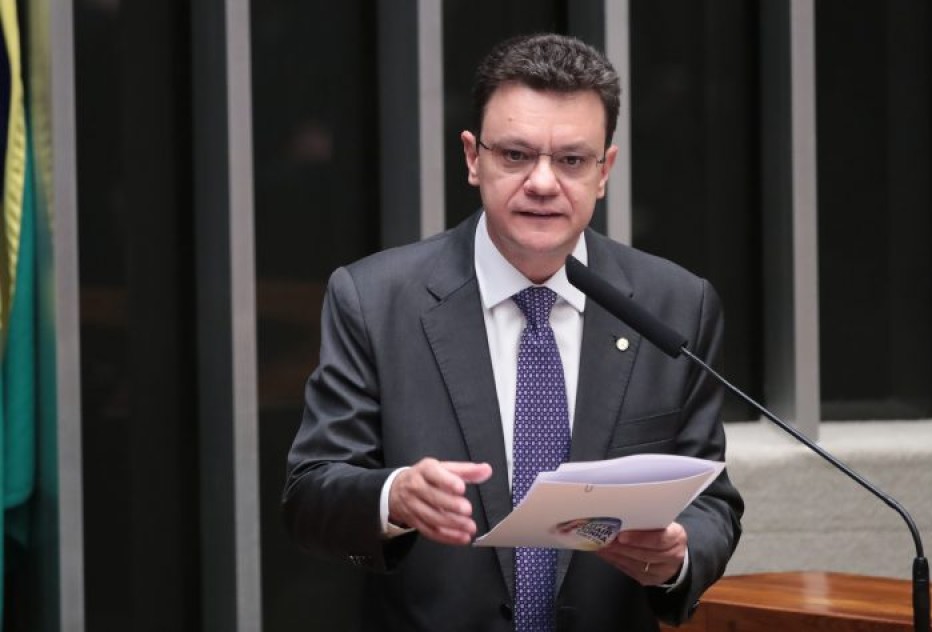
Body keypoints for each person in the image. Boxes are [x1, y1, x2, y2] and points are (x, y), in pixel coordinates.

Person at [283, 33, 743, 632]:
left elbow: (711, 501)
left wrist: (678, 556)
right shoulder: (374, 300)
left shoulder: (676, 306)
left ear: (605, 170)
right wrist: (394, 496)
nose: (543, 183)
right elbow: (311, 492)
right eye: (517, 155)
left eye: (572, 160)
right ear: (473, 158)